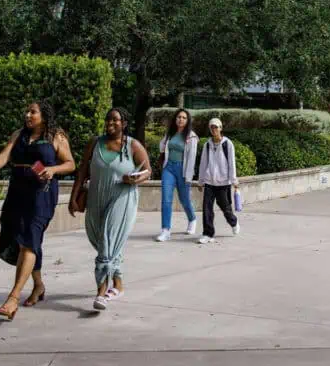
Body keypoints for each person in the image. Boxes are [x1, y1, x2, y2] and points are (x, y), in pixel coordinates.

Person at [0, 100, 76, 321]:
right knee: (23, 240)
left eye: (32, 112)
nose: (28, 115)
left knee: (30, 239)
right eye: (26, 111)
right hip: (18, 190)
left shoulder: (56, 136)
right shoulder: (19, 134)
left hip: (42, 193)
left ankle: (13, 298)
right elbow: (6, 154)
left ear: (44, 115)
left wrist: (53, 169)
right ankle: (38, 285)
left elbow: (71, 164)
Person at [70, 107, 151, 310]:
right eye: (108, 119)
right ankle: (119, 284)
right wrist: (73, 197)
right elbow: (81, 171)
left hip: (122, 199)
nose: (110, 123)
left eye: (115, 120)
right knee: (100, 239)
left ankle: (101, 292)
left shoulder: (133, 145)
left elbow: (147, 170)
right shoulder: (94, 144)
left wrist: (135, 178)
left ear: (124, 123)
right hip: (97, 199)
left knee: (107, 241)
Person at [156, 108, 199, 242]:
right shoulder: (170, 134)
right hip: (169, 168)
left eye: (184, 118)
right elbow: (162, 145)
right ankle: (165, 230)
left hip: (183, 170)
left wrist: (189, 176)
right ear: (175, 119)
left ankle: (192, 219)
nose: (181, 119)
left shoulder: (191, 136)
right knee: (166, 199)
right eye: (179, 117)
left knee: (184, 199)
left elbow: (191, 158)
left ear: (187, 121)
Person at [197, 118, 240, 244]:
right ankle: (207, 234)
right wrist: (201, 181)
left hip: (223, 182)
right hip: (210, 182)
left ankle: (234, 222)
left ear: (221, 128)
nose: (214, 129)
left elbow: (231, 163)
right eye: (212, 127)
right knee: (207, 208)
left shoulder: (228, 144)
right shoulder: (207, 145)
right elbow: (203, 164)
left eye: (216, 127)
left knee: (226, 208)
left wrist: (234, 180)